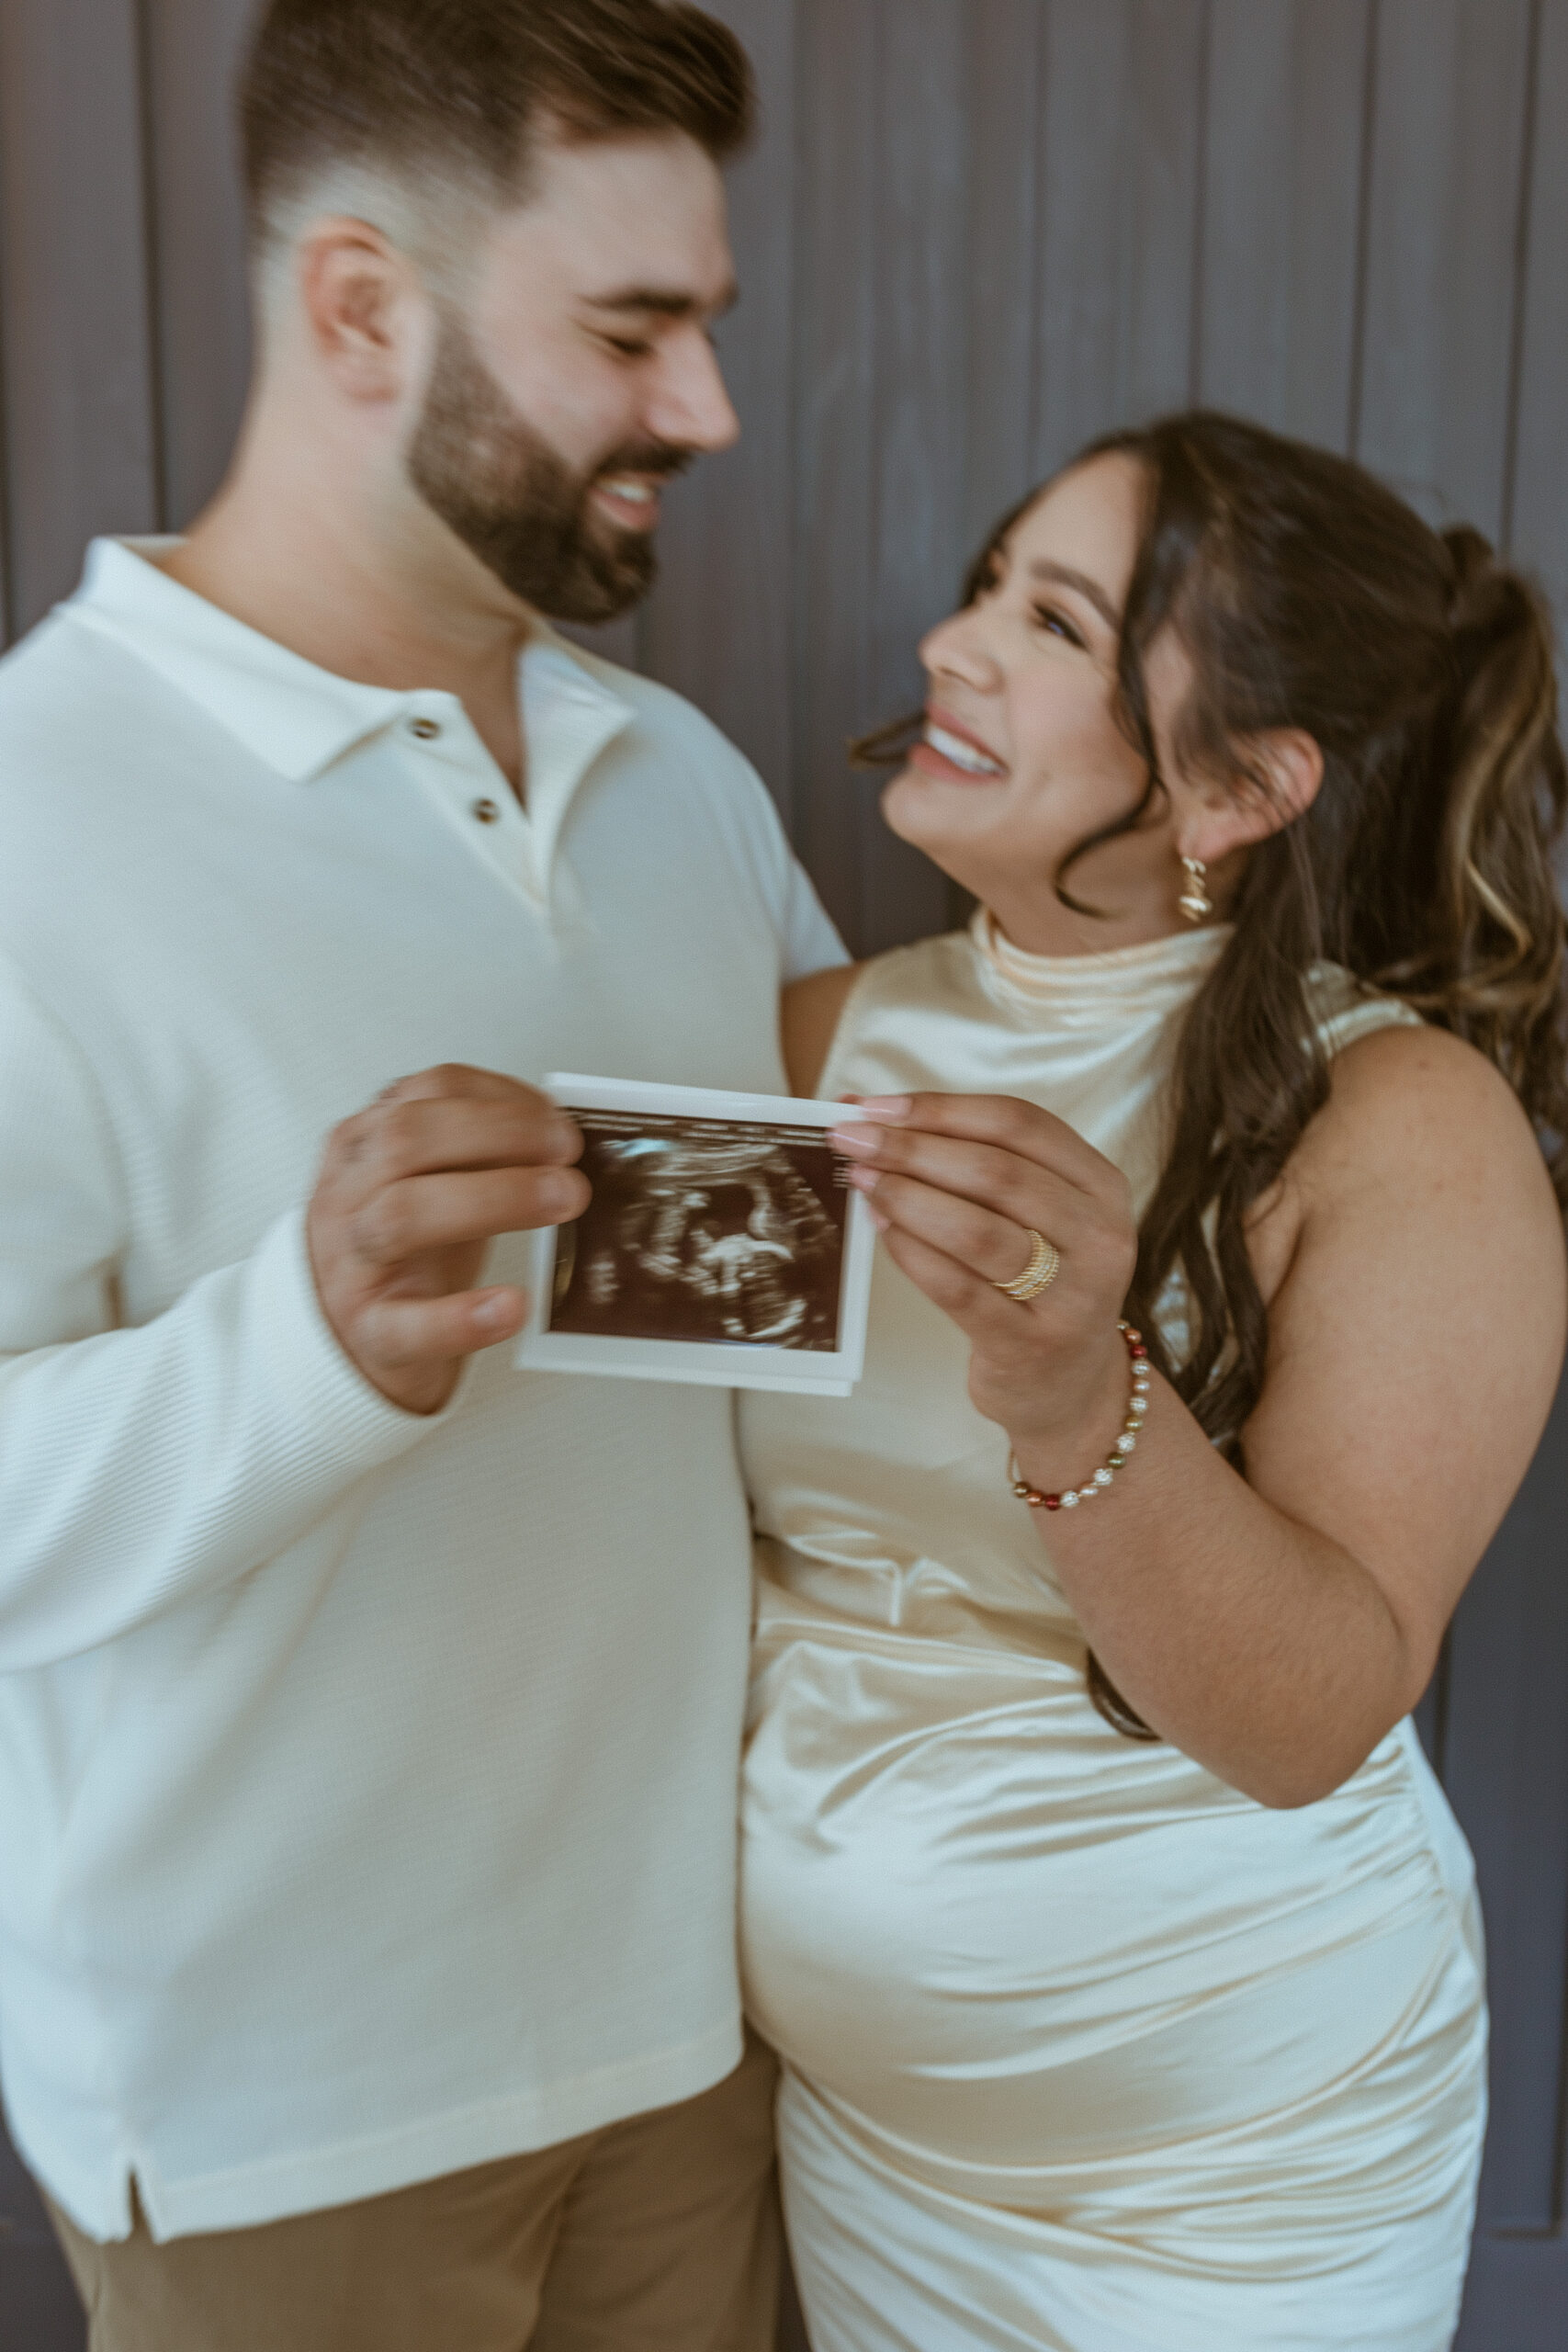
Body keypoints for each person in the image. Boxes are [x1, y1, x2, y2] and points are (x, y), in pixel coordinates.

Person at [0, 5, 843, 2347]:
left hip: (693, 2040)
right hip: (283, 2123)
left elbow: (791, 1343)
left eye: (704, 324)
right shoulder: (24, 817)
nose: (704, 410)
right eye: (627, 329)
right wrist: (308, 1340)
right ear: (361, 307)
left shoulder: (677, 778)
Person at [739, 412, 1568, 2350]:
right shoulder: (811, 1041)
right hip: (867, 2146)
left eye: (1050, 621)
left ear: (1234, 787)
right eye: (982, 588)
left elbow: (1307, 1714)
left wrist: (1063, 1386)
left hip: (1228, 2179)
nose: (949, 644)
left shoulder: (1404, 1128)